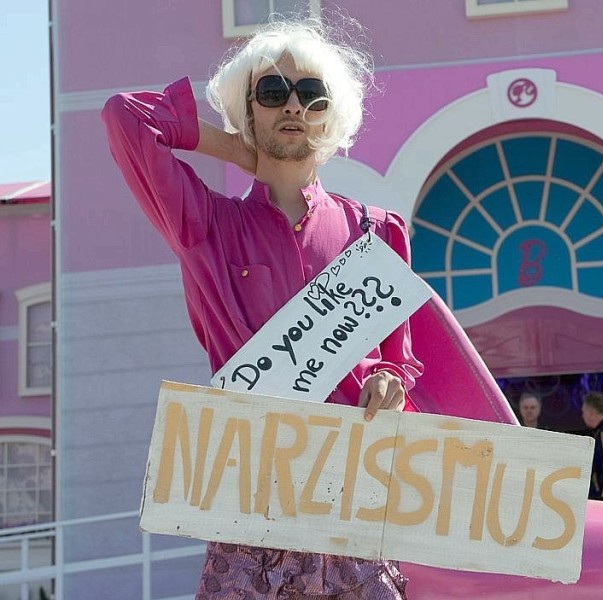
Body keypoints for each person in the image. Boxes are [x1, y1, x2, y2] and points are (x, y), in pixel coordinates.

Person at [102, 17, 423, 599]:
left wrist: (388, 378)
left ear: (331, 113)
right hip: (252, 501)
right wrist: (244, 150)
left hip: (356, 501)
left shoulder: (378, 232)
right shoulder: (205, 225)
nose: (293, 106)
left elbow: (398, 359)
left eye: (311, 95)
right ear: (248, 109)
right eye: (272, 93)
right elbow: (123, 117)